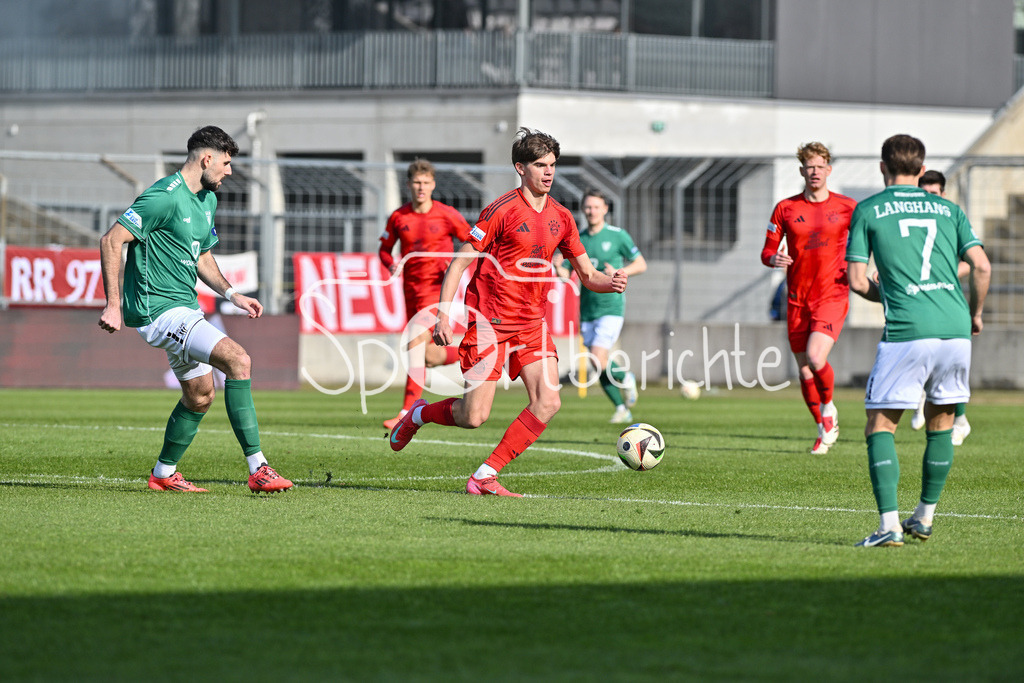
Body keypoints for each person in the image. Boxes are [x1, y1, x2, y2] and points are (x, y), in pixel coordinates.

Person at [388, 127, 627, 496]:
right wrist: (442, 315)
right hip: (490, 323)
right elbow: (458, 264)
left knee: (549, 401)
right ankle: (419, 413)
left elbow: (588, 274)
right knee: (473, 417)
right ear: (520, 168)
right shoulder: (501, 210)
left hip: (532, 323)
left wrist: (608, 282)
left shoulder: (562, 217)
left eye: (552, 165)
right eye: (539, 165)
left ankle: (485, 474)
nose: (548, 172)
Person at [98, 125, 292, 494]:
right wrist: (113, 305)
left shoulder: (207, 199)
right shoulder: (163, 197)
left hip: (185, 309)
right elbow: (112, 240)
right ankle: (258, 468)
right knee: (239, 360)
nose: (230, 171)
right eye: (226, 162)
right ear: (207, 159)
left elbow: (201, 255)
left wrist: (232, 294)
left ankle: (163, 473)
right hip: (159, 312)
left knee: (201, 395)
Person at [846, 134, 990, 547]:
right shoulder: (949, 209)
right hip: (956, 327)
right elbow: (981, 266)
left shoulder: (870, 209)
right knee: (942, 422)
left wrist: (885, 292)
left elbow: (858, 280)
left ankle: (889, 526)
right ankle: (924, 517)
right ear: (922, 168)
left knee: (880, 425)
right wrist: (975, 313)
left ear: (882, 167)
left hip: (909, 329)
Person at [761, 142, 857, 454]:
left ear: (829, 169)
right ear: (802, 170)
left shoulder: (847, 207)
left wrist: (868, 267)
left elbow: (867, 242)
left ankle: (829, 407)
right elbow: (766, 250)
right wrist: (774, 258)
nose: (815, 172)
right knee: (804, 370)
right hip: (796, 299)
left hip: (832, 294)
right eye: (809, 167)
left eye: (820, 166)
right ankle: (822, 426)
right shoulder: (786, 208)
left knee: (816, 358)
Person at [378, 159, 472, 430]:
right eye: (417, 183)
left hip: (436, 290)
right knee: (428, 355)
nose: (421, 188)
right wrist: (391, 263)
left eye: (426, 183)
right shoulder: (399, 217)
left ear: (433, 184)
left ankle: (407, 412)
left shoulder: (447, 214)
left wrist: (455, 265)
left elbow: (472, 242)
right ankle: (472, 352)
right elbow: (384, 249)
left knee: (415, 347)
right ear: (409, 185)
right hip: (410, 292)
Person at [554, 189, 646, 423]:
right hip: (587, 309)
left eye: (596, 207)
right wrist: (560, 269)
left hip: (611, 306)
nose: (591, 211)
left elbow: (640, 264)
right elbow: (568, 272)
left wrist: (620, 272)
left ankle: (626, 377)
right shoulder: (578, 239)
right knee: (599, 363)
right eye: (588, 207)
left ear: (605, 209)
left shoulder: (617, 235)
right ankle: (621, 408)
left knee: (597, 357)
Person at [909, 170, 972, 444]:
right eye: (924, 194)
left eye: (934, 194)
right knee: (919, 355)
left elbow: (972, 262)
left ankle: (959, 419)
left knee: (945, 365)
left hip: (945, 301)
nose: (929, 199)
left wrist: (942, 275)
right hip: (915, 301)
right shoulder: (908, 221)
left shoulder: (952, 218)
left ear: (943, 195)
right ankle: (922, 394)